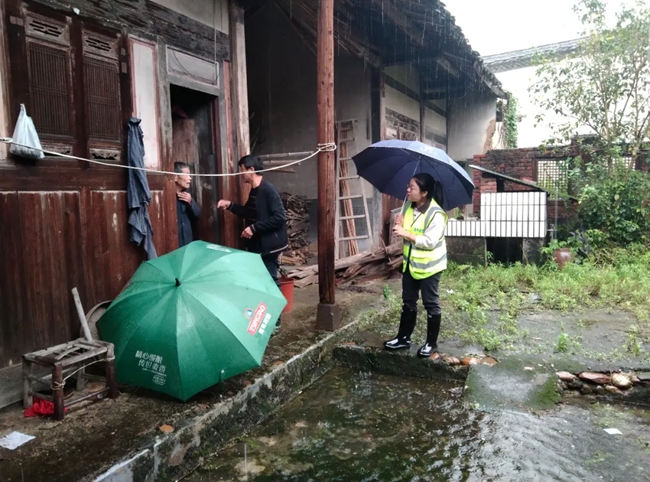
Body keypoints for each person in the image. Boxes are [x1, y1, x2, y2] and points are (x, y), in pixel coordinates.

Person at [217, 155, 288, 331]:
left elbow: (280, 217)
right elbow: (249, 212)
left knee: (271, 281)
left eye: (242, 170)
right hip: (259, 245)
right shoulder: (255, 191)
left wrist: (254, 228)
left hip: (270, 245)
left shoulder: (268, 190)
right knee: (262, 282)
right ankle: (267, 317)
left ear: (251, 170)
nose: (240, 174)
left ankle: (276, 322)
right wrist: (231, 205)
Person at [384, 172, 448, 357]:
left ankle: (431, 343)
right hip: (411, 265)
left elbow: (429, 241)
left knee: (431, 304)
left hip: (430, 267)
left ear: (425, 192)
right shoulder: (408, 207)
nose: (408, 190)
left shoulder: (436, 214)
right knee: (408, 302)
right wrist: (401, 223)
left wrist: (405, 232)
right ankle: (403, 338)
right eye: (408, 186)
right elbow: (409, 231)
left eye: (412, 187)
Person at [175, 162, 201, 248]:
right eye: (186, 175)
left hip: (187, 242)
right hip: (174, 242)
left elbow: (197, 216)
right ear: (175, 177)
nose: (190, 178)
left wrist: (191, 202)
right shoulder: (167, 197)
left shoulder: (187, 196)